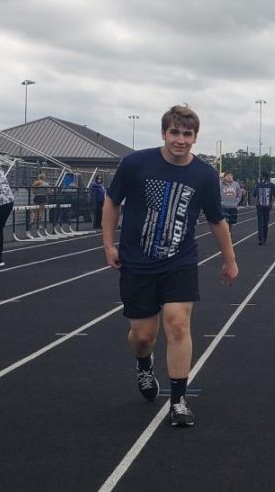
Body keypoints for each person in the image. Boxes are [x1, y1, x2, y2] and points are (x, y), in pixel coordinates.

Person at [102, 104, 238, 427]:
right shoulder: (136, 164)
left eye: (187, 134)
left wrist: (229, 259)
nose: (180, 140)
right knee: (142, 335)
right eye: (174, 133)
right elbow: (112, 201)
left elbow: (217, 220)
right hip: (137, 262)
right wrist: (108, 245)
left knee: (178, 324)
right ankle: (144, 363)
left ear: (195, 137)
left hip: (180, 260)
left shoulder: (204, 175)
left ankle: (178, 401)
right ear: (164, 133)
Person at [253, 172, 275, 245]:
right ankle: (261, 239)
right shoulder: (258, 185)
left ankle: (264, 236)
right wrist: (256, 203)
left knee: (265, 223)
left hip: (267, 206)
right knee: (260, 222)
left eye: (262, 177)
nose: (261, 179)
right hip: (260, 207)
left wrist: (271, 203)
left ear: (265, 177)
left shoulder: (271, 185)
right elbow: (253, 194)